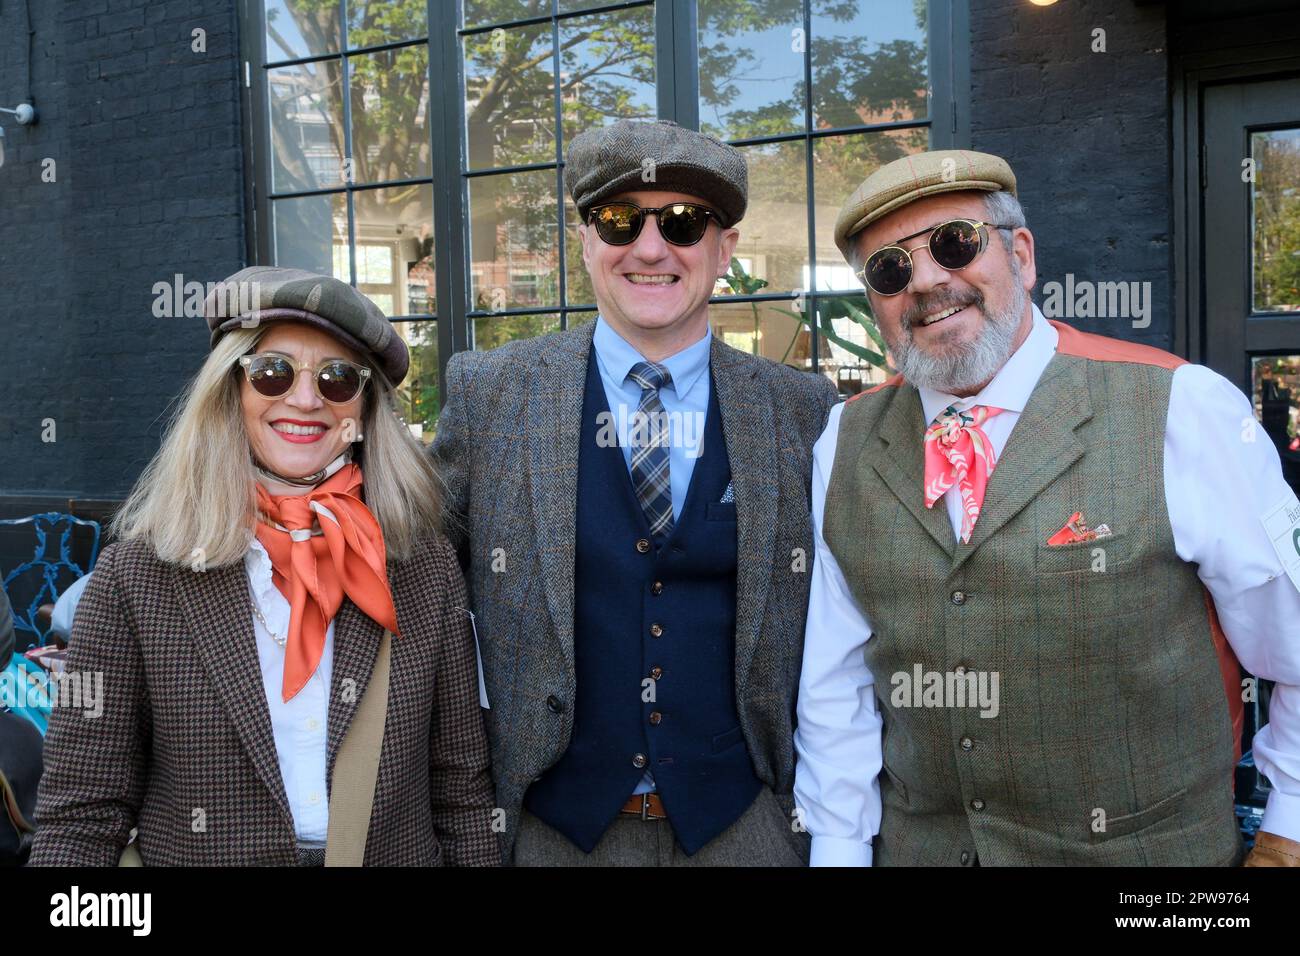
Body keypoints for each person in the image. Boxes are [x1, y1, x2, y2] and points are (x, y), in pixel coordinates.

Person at [793, 149, 1300, 867]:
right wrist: (839, 853)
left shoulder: (1182, 407)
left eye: (954, 242)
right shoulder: (845, 440)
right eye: (890, 269)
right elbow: (835, 681)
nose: (929, 281)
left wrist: (1288, 835)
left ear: (1021, 254)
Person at [432, 119, 839, 865]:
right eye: (619, 220)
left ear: (725, 250)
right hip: (551, 829)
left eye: (684, 222)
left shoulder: (803, 410)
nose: (650, 248)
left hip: (742, 825)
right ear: (585, 240)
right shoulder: (492, 393)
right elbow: (418, 584)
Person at [30, 267, 499, 866]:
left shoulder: (421, 566)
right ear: (232, 389)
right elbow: (81, 815)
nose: (304, 399)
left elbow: (461, 793)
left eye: (336, 380)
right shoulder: (134, 579)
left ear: (364, 408)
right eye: (273, 371)